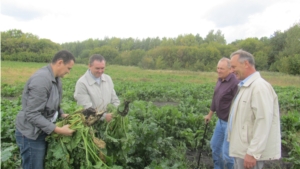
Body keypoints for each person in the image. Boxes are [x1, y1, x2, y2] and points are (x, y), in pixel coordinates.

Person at [15, 50, 76, 169]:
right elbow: (32, 114)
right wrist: (58, 130)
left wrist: (62, 114)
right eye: (68, 68)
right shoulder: (42, 80)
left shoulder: (56, 79)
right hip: (31, 134)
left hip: (41, 130)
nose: (68, 72)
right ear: (60, 62)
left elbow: (53, 104)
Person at [228, 49, 281, 169]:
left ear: (246, 64)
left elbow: (263, 122)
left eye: (233, 67)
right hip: (242, 150)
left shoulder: (259, 87)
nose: (231, 71)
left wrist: (253, 153)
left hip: (249, 153)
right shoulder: (245, 86)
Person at [204, 57, 239, 169]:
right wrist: (210, 114)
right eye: (218, 68)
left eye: (222, 69)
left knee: (227, 155)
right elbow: (216, 98)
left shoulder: (235, 83)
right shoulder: (220, 80)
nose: (219, 71)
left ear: (230, 69)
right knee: (214, 146)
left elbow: (240, 104)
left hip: (231, 123)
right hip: (220, 121)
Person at [74, 54, 120, 122]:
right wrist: (104, 117)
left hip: (109, 121)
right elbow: (86, 108)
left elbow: (115, 99)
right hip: (91, 123)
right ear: (89, 66)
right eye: (97, 68)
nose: (100, 71)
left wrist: (117, 111)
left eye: (102, 68)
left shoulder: (108, 79)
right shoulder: (82, 83)